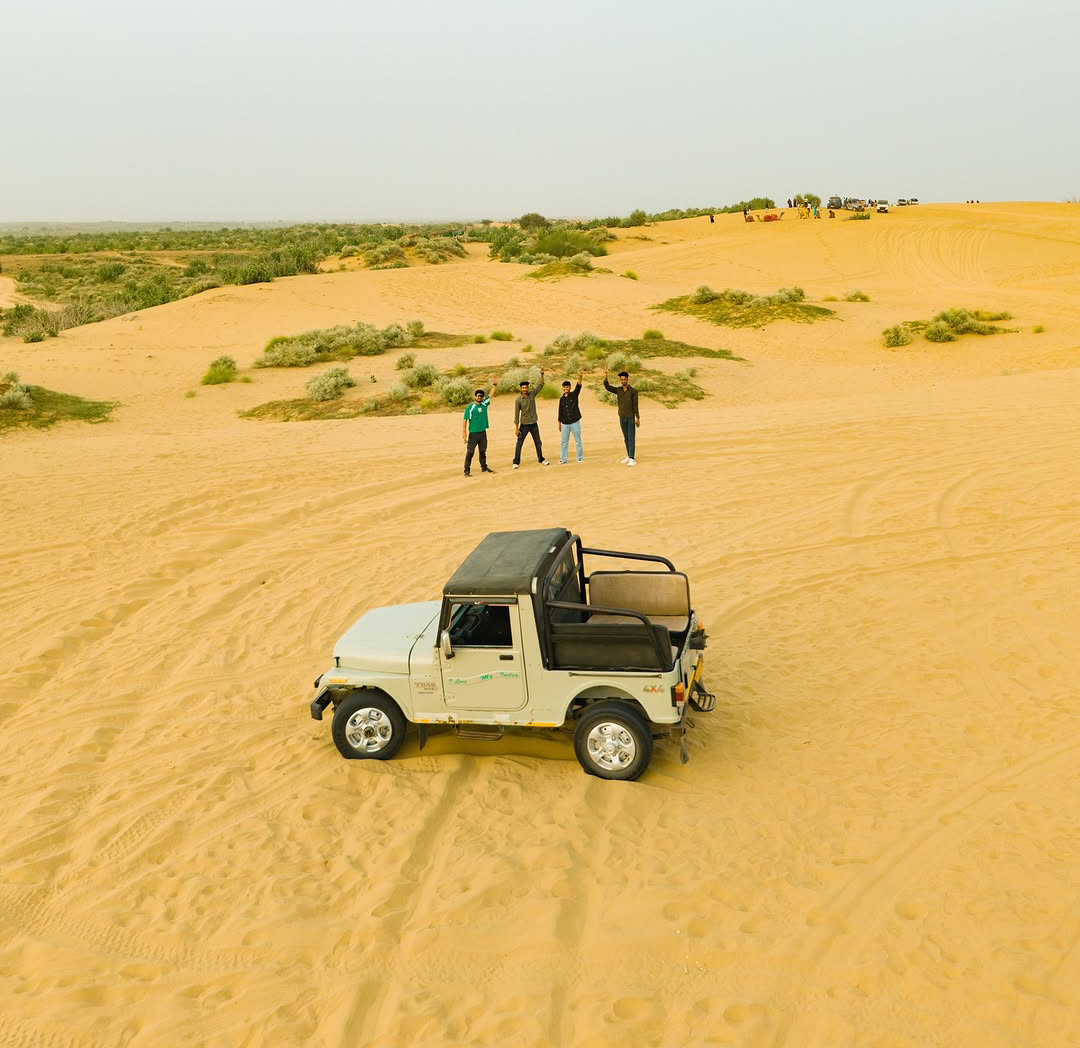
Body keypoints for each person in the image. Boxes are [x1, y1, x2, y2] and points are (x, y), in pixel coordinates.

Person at [512, 369, 550, 469]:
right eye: (523, 388)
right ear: (520, 388)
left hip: (534, 424)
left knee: (538, 442)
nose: (525, 389)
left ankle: (541, 459)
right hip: (524, 425)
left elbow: (541, 385)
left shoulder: (532, 394)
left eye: (526, 387)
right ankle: (516, 462)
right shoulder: (518, 400)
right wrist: (516, 428)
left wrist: (542, 374)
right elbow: (516, 415)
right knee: (519, 443)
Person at [602, 368, 640, 466]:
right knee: (626, 438)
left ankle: (632, 458)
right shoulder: (618, 390)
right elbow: (607, 387)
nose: (623, 381)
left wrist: (637, 418)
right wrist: (606, 376)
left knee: (631, 438)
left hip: (631, 417)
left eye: (624, 379)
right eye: (621, 380)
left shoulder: (633, 391)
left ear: (627, 379)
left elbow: (635, 405)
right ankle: (628, 456)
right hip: (622, 417)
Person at [462, 376, 498, 477]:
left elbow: (491, 395)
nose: (479, 397)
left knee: (483, 451)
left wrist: (494, 385)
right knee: (470, 452)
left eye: (481, 396)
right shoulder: (470, 407)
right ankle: (466, 470)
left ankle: (484, 467)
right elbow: (465, 420)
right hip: (473, 433)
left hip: (483, 432)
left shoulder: (484, 404)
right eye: (478, 396)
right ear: (475, 396)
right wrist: (464, 432)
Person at [557, 370, 585, 464]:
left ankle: (580, 457)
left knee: (578, 441)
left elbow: (578, 386)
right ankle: (563, 459)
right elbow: (560, 412)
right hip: (565, 424)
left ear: (570, 387)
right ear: (562, 388)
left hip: (575, 422)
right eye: (564, 387)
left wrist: (580, 376)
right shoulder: (561, 399)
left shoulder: (574, 395)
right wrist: (559, 423)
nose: (566, 388)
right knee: (564, 443)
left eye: (567, 387)